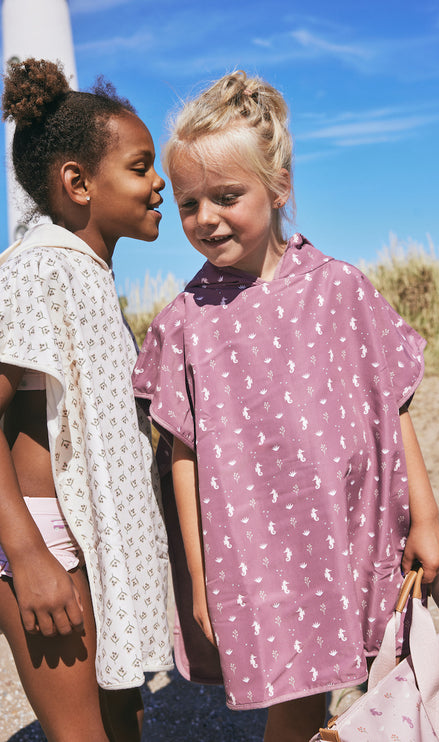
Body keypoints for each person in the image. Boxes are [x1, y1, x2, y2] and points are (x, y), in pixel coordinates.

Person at [132, 70, 439, 742]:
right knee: (299, 699)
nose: (206, 219)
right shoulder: (186, 320)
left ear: (277, 188)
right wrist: (197, 578)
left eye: (226, 196)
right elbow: (182, 455)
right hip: (258, 555)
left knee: (382, 676)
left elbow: (392, 406)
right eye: (189, 204)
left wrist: (424, 519)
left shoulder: (342, 289)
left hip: (356, 532)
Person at [0, 58, 173, 742]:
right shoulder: (39, 265)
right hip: (43, 543)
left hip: (85, 541)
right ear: (77, 182)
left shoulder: (87, 272)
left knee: (122, 719)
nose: (158, 182)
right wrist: (29, 555)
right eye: (140, 166)